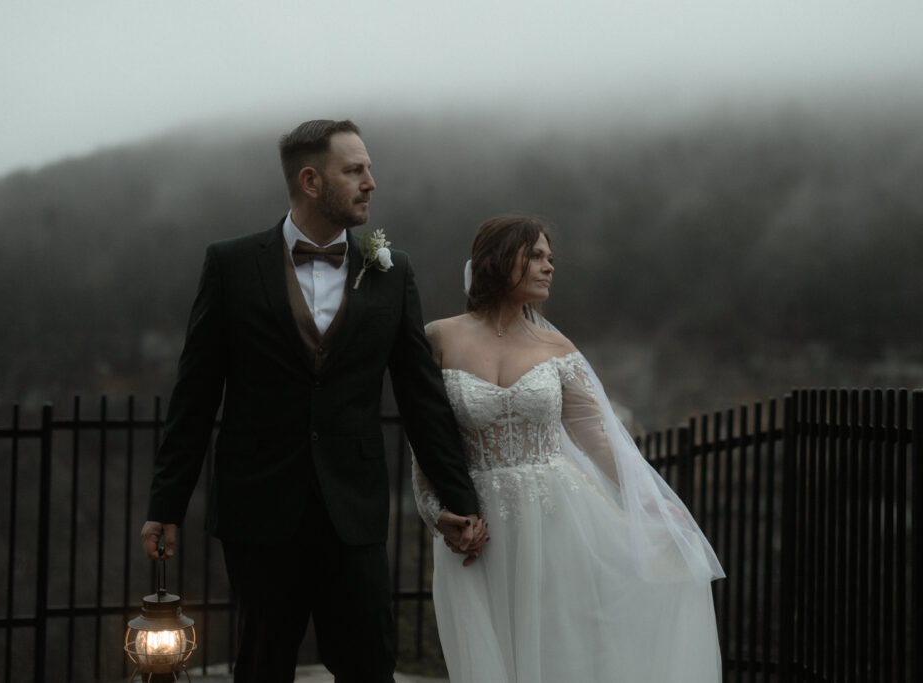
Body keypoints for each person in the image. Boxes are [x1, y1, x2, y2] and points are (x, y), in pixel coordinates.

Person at [140, 119, 484, 683]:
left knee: (371, 664)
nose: (371, 182)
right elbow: (195, 394)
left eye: (369, 168)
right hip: (259, 507)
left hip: (354, 508)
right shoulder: (230, 266)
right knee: (262, 665)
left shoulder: (392, 273)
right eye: (355, 170)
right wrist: (166, 503)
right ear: (310, 180)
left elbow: (421, 397)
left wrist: (459, 496)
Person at [413, 215, 725, 682]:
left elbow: (597, 437)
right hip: (476, 525)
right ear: (500, 259)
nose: (548, 267)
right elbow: (427, 440)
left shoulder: (556, 348)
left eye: (550, 258)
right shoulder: (439, 337)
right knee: (486, 652)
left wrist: (651, 504)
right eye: (535, 255)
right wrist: (438, 514)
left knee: (563, 646)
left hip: (559, 519)